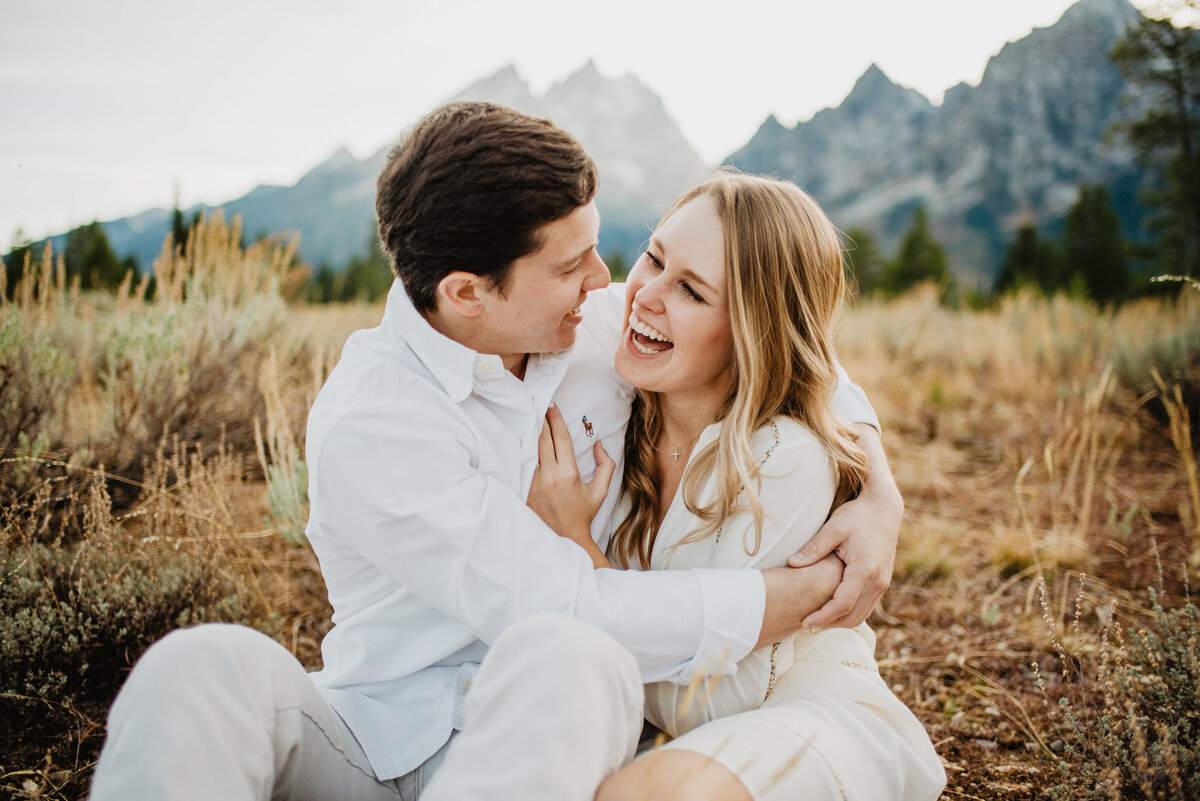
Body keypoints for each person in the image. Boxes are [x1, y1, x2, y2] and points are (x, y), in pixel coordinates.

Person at [89, 102, 904, 801]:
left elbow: (777, 341)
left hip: (555, 736)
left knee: (563, 659)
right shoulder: (376, 423)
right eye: (571, 263)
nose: (605, 278)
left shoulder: (590, 324)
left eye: (598, 246)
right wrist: (793, 595)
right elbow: (567, 601)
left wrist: (878, 489)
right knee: (198, 667)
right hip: (378, 743)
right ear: (467, 293)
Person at [530, 171, 946, 800]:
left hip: (800, 723)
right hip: (653, 737)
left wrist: (574, 543)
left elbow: (708, 702)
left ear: (753, 328)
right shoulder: (622, 408)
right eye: (653, 257)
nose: (642, 296)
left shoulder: (782, 460)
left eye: (692, 291)